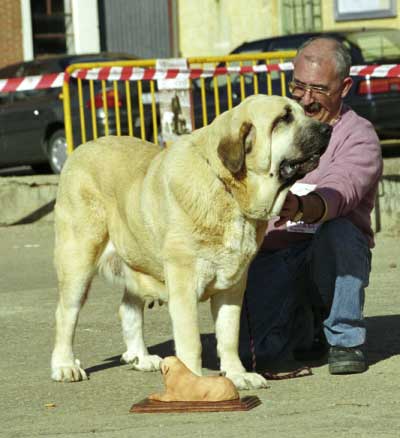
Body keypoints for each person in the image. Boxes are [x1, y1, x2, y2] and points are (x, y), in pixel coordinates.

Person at [239, 37, 383, 375]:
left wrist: (304, 207)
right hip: (273, 253)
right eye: (298, 86)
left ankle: (345, 340)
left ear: (344, 86)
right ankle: (307, 330)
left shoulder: (358, 136)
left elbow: (342, 190)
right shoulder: (272, 126)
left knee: (341, 232)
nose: (305, 98)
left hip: (324, 250)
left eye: (318, 90)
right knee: (258, 356)